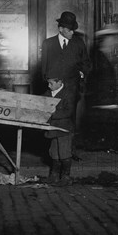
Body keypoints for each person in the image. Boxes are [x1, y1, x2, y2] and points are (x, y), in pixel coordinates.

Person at [41, 11, 92, 159]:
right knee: (53, 118)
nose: (72, 32)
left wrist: (82, 73)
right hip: (54, 90)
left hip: (72, 89)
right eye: (69, 30)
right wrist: (50, 84)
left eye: (73, 29)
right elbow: (43, 69)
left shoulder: (78, 43)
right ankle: (54, 153)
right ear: (61, 29)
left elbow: (86, 63)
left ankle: (69, 151)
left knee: (70, 119)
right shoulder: (48, 44)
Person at [43, 75, 77, 185]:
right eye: (48, 83)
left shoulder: (68, 94)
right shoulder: (48, 93)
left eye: (51, 83)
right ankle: (54, 176)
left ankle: (66, 177)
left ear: (59, 82)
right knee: (54, 153)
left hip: (64, 129)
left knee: (64, 153)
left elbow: (69, 111)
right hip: (52, 128)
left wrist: (53, 113)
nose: (49, 85)